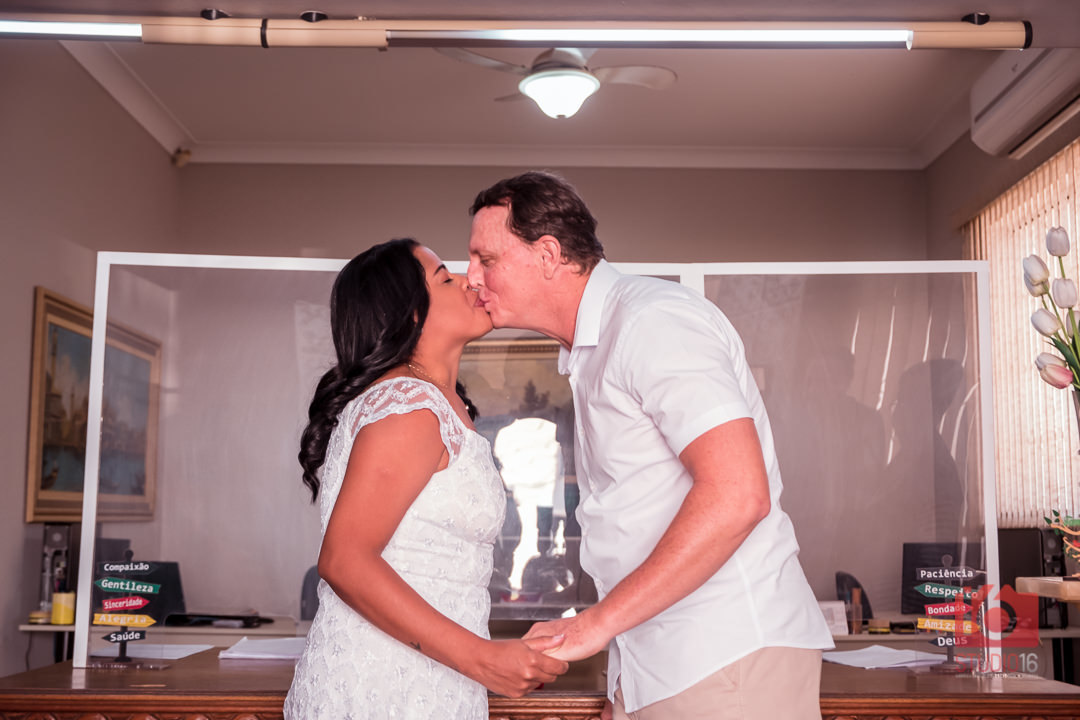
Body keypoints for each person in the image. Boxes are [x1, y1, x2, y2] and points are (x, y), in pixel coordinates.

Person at [465, 173, 834, 720]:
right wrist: (626, 686)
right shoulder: (593, 348)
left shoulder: (652, 321)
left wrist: (593, 626)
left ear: (547, 255)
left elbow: (739, 494)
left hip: (724, 659)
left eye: (486, 259)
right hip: (666, 666)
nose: (472, 277)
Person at [284, 238, 568, 719]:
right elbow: (344, 560)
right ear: (410, 313)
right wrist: (483, 659)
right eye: (445, 278)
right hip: (382, 688)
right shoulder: (409, 407)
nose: (469, 281)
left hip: (433, 681)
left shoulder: (435, 403)